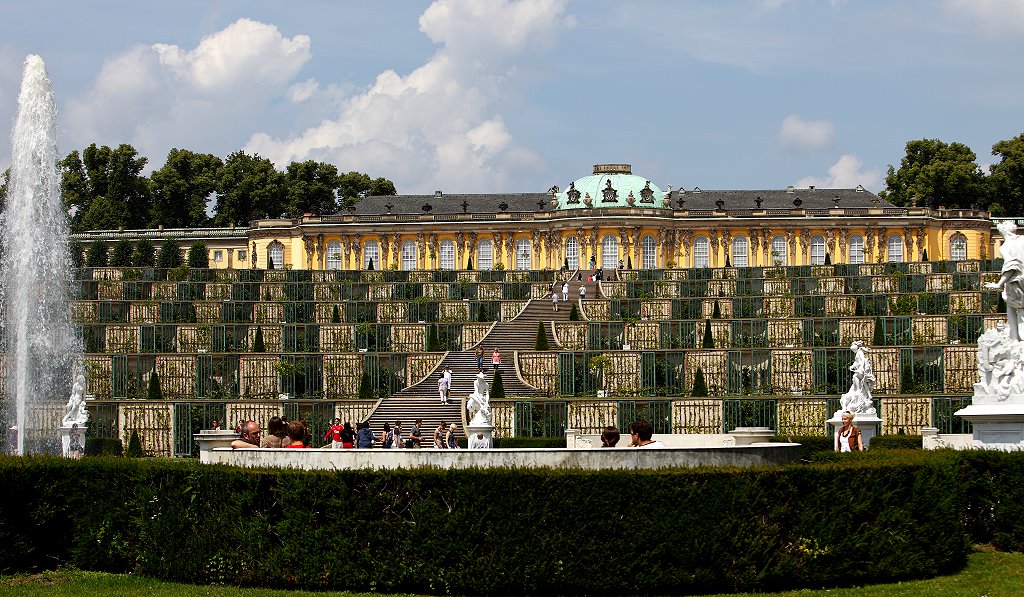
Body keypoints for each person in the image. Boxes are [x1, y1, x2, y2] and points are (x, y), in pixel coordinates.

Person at [987, 219, 1024, 341]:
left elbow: (1011, 266)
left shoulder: (1005, 246)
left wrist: (999, 284)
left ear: (1003, 232)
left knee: (1011, 306)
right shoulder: (1022, 239)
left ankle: (1015, 338)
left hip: (1016, 280)